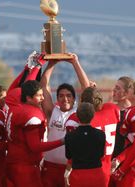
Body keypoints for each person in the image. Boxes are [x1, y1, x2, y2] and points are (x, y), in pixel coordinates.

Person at [40, 53, 90, 187]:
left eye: (69, 96)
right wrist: (51, 64)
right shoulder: (52, 111)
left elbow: (88, 90)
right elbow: (43, 86)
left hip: (70, 168)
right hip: (50, 167)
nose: (65, 99)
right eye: (61, 95)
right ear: (57, 98)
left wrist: (75, 63)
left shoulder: (79, 113)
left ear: (74, 99)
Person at [5, 80, 65, 187]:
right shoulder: (32, 114)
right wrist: (62, 141)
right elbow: (35, 146)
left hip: (13, 162)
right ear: (28, 98)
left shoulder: (15, 108)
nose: (42, 98)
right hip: (25, 167)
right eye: (39, 95)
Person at [65, 86, 120, 186]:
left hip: (83, 171)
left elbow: (72, 152)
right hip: (105, 170)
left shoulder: (75, 119)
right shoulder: (112, 109)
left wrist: (67, 171)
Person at [65, 102, 106, 187]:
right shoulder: (101, 134)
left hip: (78, 176)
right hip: (97, 174)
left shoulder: (70, 135)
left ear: (77, 116)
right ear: (93, 115)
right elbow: (101, 154)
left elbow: (69, 156)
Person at [112, 76, 134, 158]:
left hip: (125, 161)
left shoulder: (132, 113)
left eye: (117, 88)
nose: (114, 90)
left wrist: (119, 159)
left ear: (127, 93)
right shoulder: (110, 110)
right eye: (115, 87)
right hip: (109, 160)